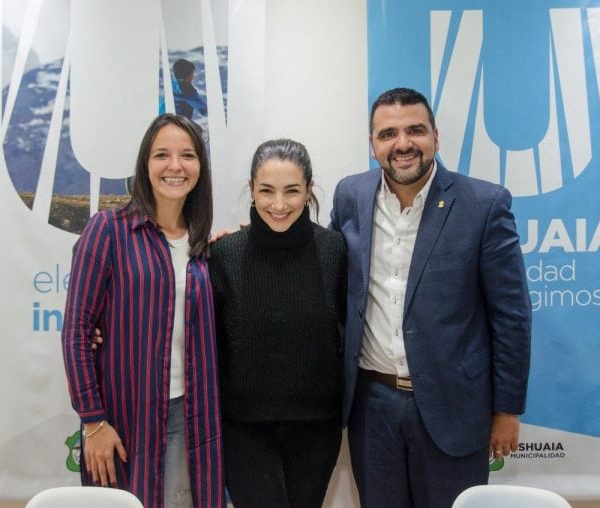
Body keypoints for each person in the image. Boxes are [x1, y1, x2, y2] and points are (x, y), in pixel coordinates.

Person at [330, 87, 531, 507]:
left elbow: (510, 315)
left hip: (454, 407)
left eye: (414, 131)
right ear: (372, 144)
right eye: (387, 134)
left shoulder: (484, 204)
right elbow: (324, 267)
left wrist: (507, 411)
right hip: (373, 406)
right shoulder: (350, 196)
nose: (402, 144)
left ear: (436, 137)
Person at [62, 113, 224, 507]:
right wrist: (93, 421)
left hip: (192, 417)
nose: (175, 166)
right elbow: (77, 332)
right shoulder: (108, 231)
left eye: (187, 155)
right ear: (144, 164)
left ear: (200, 167)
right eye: (161, 155)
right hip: (124, 417)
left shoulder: (205, 246)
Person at [209, 139, 346, 507]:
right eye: (267, 191)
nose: (279, 205)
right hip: (243, 430)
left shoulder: (335, 250)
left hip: (318, 428)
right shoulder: (224, 254)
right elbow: (202, 340)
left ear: (309, 190)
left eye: (292, 191)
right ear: (251, 189)